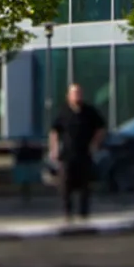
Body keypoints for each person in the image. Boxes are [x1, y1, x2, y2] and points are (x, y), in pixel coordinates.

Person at [49, 83, 108, 222]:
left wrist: (94, 144)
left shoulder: (89, 111)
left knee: (85, 186)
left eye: (79, 93)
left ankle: (84, 214)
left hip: (84, 154)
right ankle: (67, 213)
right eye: (74, 93)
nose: (77, 96)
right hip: (67, 155)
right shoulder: (63, 112)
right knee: (65, 185)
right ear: (68, 96)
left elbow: (101, 128)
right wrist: (54, 148)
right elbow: (54, 131)